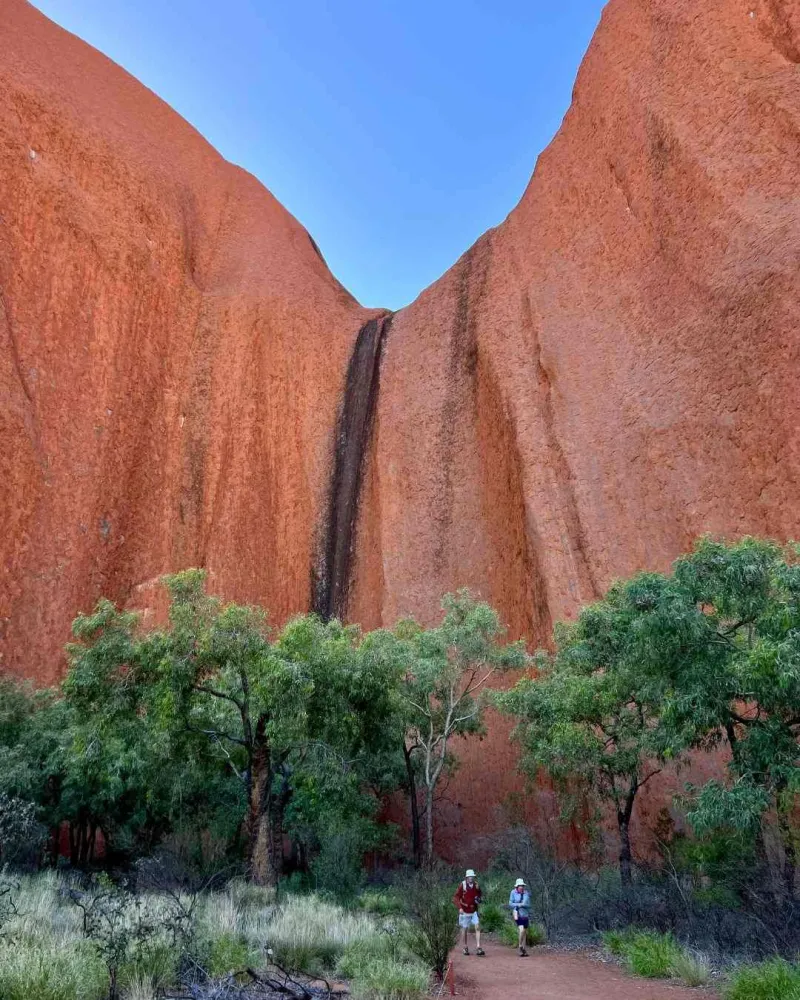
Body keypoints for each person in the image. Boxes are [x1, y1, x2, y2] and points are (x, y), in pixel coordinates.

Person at [454, 868, 484, 956]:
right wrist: (459, 908)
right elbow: (456, 897)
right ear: (466, 878)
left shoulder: (476, 885)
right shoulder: (462, 885)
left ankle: (478, 947)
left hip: (474, 910)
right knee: (465, 929)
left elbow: (479, 895)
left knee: (477, 927)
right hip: (465, 911)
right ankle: (465, 947)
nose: (471, 878)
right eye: (469, 877)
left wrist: (478, 899)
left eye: (472, 877)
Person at [508, 877, 531, 957]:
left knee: (524, 932)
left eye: (522, 885)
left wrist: (520, 904)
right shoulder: (513, 892)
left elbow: (527, 904)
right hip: (517, 914)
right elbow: (510, 903)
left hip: (525, 914)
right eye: (520, 885)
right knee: (521, 930)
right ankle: (520, 946)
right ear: (517, 886)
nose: (521, 887)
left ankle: (523, 950)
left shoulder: (526, 893)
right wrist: (518, 904)